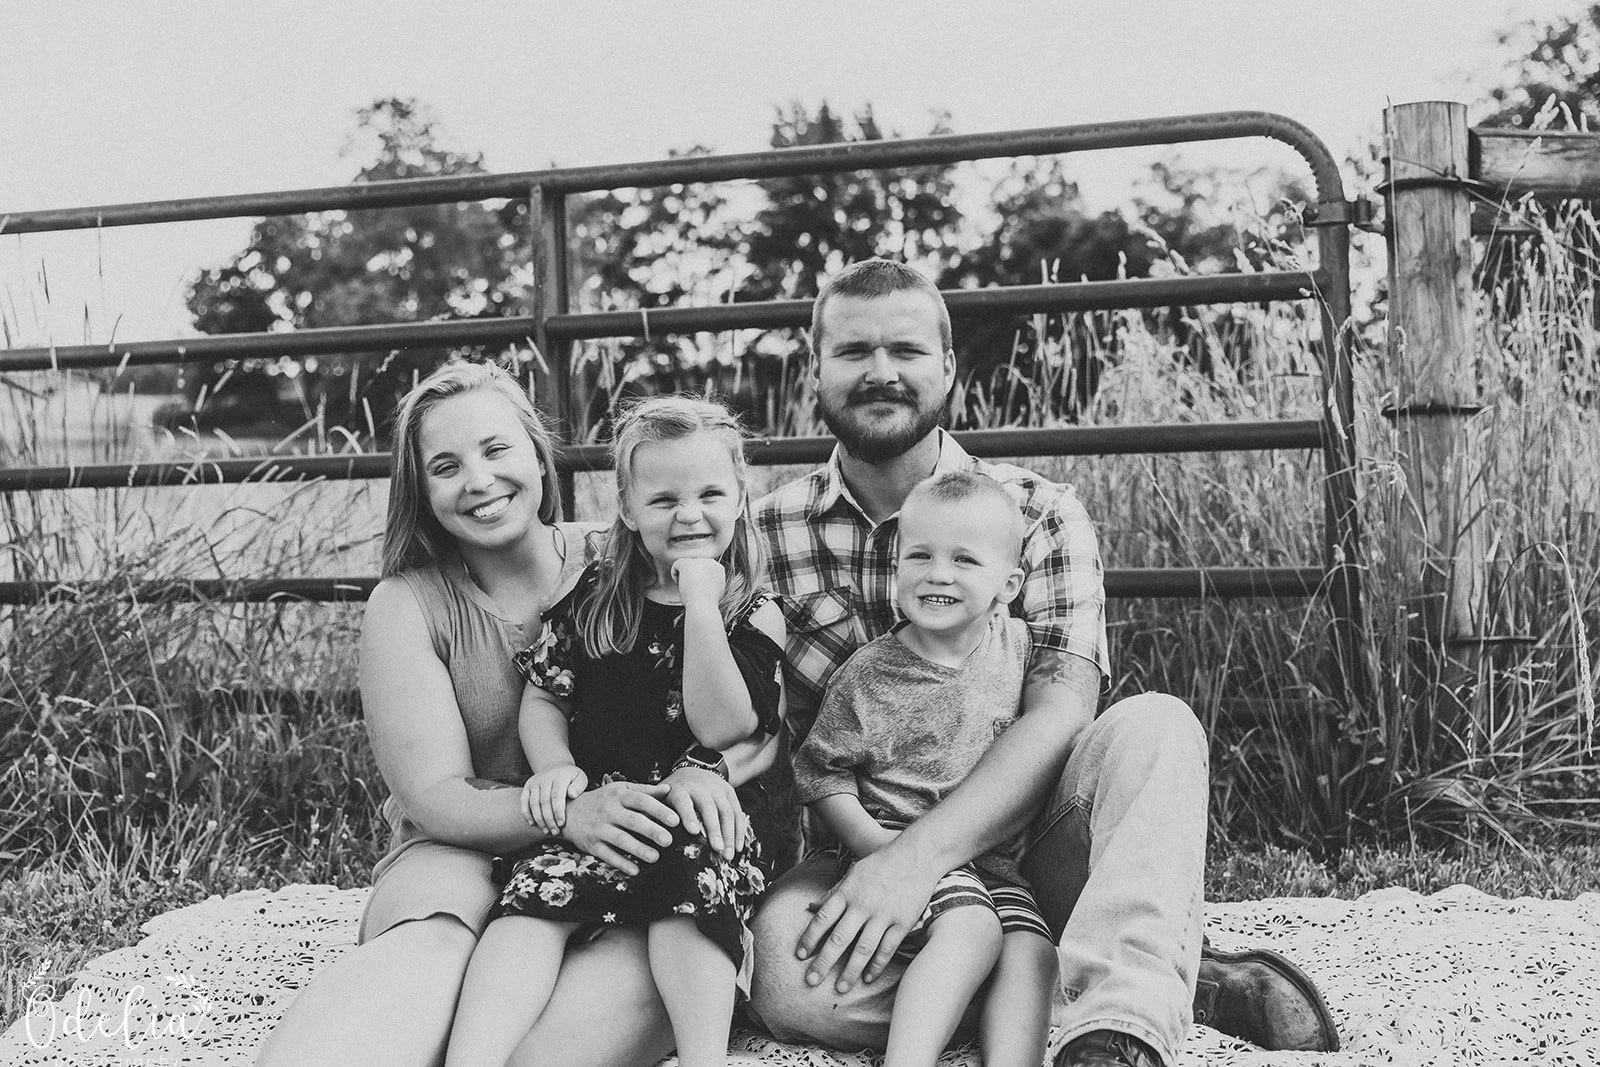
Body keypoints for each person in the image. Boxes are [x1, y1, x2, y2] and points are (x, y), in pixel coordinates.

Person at [747, 259, 1340, 1067]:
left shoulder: (1039, 513)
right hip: (861, 848)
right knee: (782, 977)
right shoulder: (764, 534)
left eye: (906, 350)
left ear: (947, 367)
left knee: (1158, 725)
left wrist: (916, 861)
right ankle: (1137, 970)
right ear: (815, 369)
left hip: (1035, 844)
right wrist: (885, 863)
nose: (881, 371)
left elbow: (1061, 710)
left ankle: (1116, 1027)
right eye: (853, 351)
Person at [256, 363, 779, 1067]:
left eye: (496, 449)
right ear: (420, 489)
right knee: (432, 951)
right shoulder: (408, 604)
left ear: (538, 454)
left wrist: (704, 770)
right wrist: (569, 812)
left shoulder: (626, 556)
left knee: (545, 1045)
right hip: (461, 855)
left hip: (630, 849)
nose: (479, 479)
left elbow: (756, 718)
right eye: (446, 466)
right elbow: (433, 793)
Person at [443, 395, 786, 1067]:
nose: (689, 515)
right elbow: (546, 693)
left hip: (707, 822)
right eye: (663, 500)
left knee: (691, 884)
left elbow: (725, 724)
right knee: (530, 897)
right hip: (603, 813)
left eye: (710, 494)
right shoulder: (595, 597)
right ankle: (472, 1056)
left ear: (741, 497)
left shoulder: (752, 610)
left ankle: (704, 1056)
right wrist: (554, 766)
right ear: (627, 509)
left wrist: (700, 603)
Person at [793, 470, 1057, 1067]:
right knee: (973, 931)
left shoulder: (1018, 649)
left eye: (964, 559)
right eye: (920, 555)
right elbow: (820, 773)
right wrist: (881, 850)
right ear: (897, 568)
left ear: (1009, 584)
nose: (938, 574)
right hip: (897, 843)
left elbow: (1048, 734)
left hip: (993, 861)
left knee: (1032, 952)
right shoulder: (869, 674)